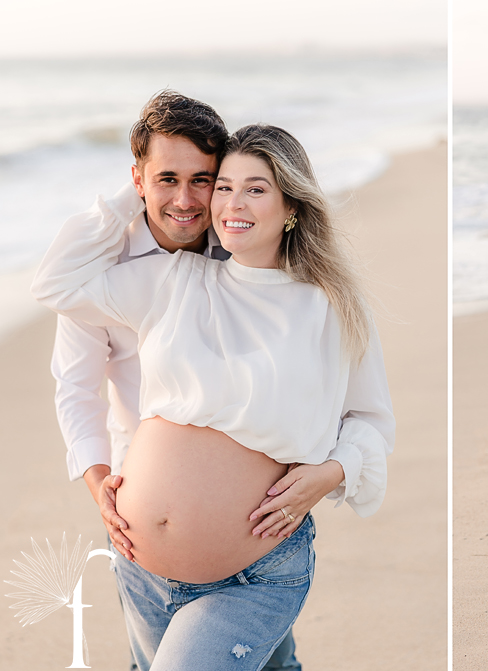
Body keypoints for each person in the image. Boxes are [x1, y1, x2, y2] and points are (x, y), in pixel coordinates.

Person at [33, 120, 394, 667]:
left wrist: (331, 472)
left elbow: (370, 419)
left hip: (252, 573)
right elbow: (55, 283)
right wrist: (135, 190)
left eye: (256, 188)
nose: (231, 203)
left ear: (292, 206)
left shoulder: (329, 305)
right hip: (141, 567)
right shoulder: (175, 280)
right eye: (223, 186)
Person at [50, 91, 303, 670]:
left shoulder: (248, 249)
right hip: (142, 539)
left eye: (203, 180)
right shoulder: (100, 267)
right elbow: (75, 387)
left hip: (253, 529)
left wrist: (330, 468)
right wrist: (98, 487)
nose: (187, 201)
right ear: (136, 179)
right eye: (166, 178)